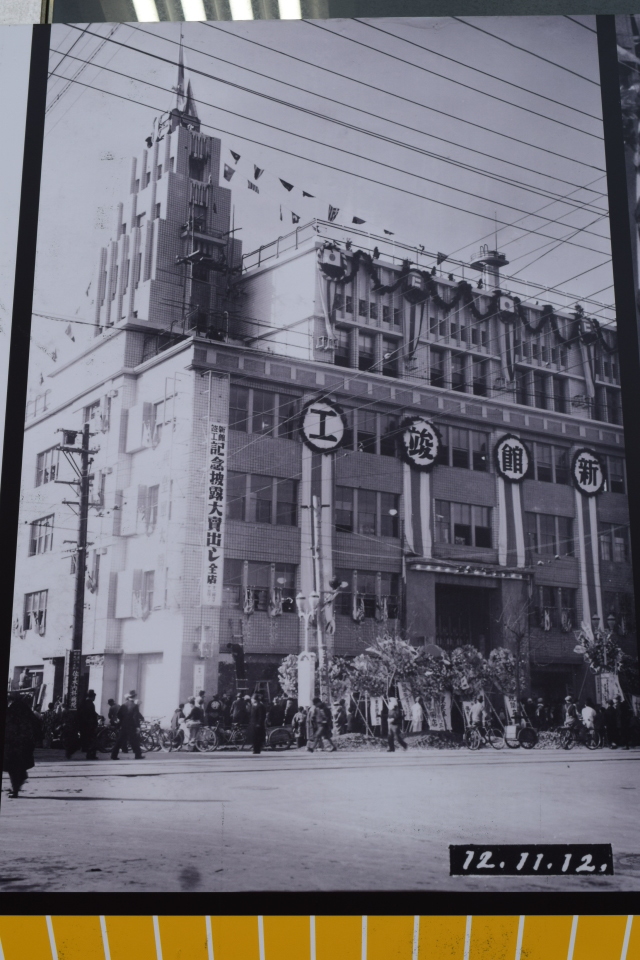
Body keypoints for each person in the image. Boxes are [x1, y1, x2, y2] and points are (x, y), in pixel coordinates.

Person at [3, 692, 39, 798]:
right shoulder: (24, 709)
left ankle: (16, 789)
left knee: (12, 766)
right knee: (16, 765)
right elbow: (35, 723)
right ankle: (19, 781)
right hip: (23, 742)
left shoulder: (13, 709)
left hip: (14, 743)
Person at [111, 690, 145, 760]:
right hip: (131, 726)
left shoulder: (124, 705)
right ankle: (138, 755)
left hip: (124, 726)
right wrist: (137, 727)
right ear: (134, 697)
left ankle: (113, 755)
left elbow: (119, 715)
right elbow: (135, 717)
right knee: (134, 741)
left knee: (119, 741)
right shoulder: (135, 706)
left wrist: (123, 721)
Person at [77, 689, 100, 760]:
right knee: (92, 740)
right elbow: (92, 715)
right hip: (90, 725)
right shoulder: (90, 704)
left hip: (83, 725)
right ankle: (91, 755)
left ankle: (88, 753)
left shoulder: (82, 703)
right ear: (92, 696)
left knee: (87, 740)